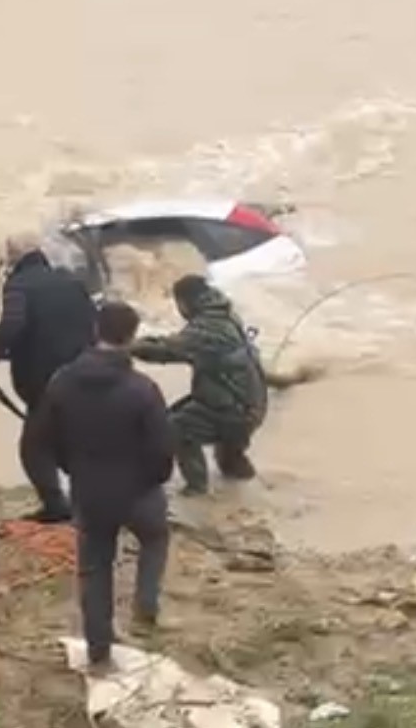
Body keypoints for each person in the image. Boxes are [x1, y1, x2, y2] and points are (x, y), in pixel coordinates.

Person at [35, 300, 174, 672]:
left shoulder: (62, 381)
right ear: (132, 337)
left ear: (96, 331)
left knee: (95, 567)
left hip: (89, 489)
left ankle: (99, 648)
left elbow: (44, 437)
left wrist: (74, 469)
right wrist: (152, 480)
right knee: (155, 538)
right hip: (138, 491)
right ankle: (146, 606)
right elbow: (162, 451)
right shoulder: (143, 389)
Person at [0, 231, 97, 523]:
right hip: (83, 373)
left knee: (35, 447)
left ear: (13, 257)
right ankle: (91, 501)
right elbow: (93, 322)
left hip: (43, 379)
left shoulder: (19, 284)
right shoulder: (71, 281)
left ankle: (57, 506)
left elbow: (12, 324)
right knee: (75, 439)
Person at [131, 275, 267, 496]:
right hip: (250, 402)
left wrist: (127, 346)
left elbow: (166, 350)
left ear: (184, 302)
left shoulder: (207, 327)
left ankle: (197, 490)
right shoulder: (225, 316)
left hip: (235, 408)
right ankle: (240, 476)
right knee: (224, 453)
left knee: (176, 427)